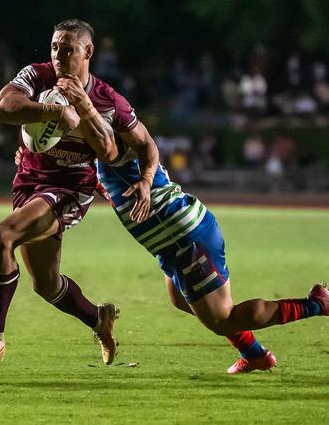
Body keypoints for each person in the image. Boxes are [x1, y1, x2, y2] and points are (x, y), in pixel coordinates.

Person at [0, 19, 144, 365]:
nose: (58, 55)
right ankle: (98, 317)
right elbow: (1, 108)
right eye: (54, 47)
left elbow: (133, 146)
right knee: (46, 285)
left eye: (68, 49)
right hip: (30, 185)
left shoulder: (106, 99)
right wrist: (54, 111)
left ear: (88, 52)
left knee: (3, 236)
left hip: (69, 191)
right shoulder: (37, 76)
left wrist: (147, 179)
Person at [95, 123, 328, 374]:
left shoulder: (110, 137)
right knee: (180, 300)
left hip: (183, 238)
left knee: (223, 319)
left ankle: (316, 304)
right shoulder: (98, 146)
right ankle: (254, 354)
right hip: (171, 242)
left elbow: (140, 147)